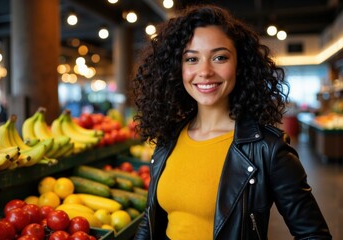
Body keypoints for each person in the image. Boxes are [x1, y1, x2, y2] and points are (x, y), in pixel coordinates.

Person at [132, 4, 331, 240]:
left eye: (219, 57)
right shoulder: (168, 140)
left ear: (240, 64)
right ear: (177, 69)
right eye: (192, 59)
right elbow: (150, 219)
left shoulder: (268, 148)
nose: (205, 71)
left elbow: (313, 235)